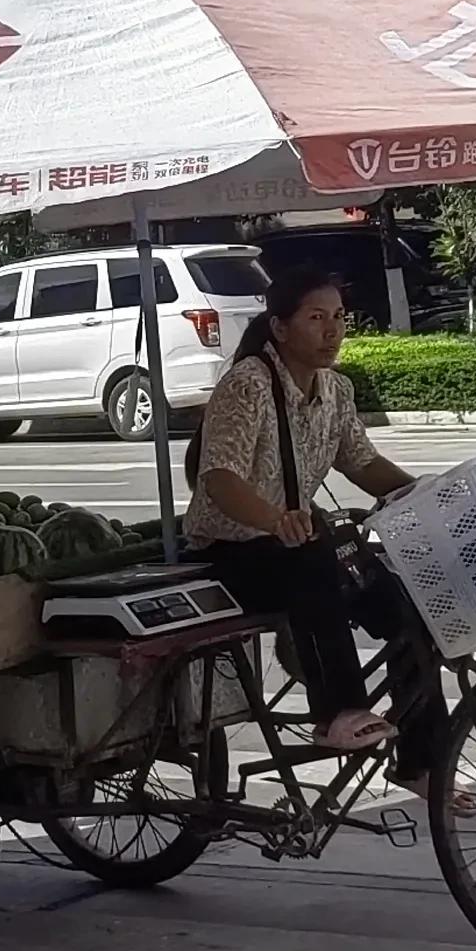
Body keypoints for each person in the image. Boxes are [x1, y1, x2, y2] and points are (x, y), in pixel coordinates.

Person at [184, 263, 433, 767]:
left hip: (295, 545)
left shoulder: (336, 390)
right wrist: (275, 520)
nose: (332, 330)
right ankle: (339, 712)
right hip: (231, 553)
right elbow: (220, 478)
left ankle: (423, 763)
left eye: (338, 317)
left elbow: (362, 463)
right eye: (316, 318)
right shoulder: (247, 385)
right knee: (315, 555)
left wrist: (426, 493)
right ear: (279, 327)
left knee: (409, 606)